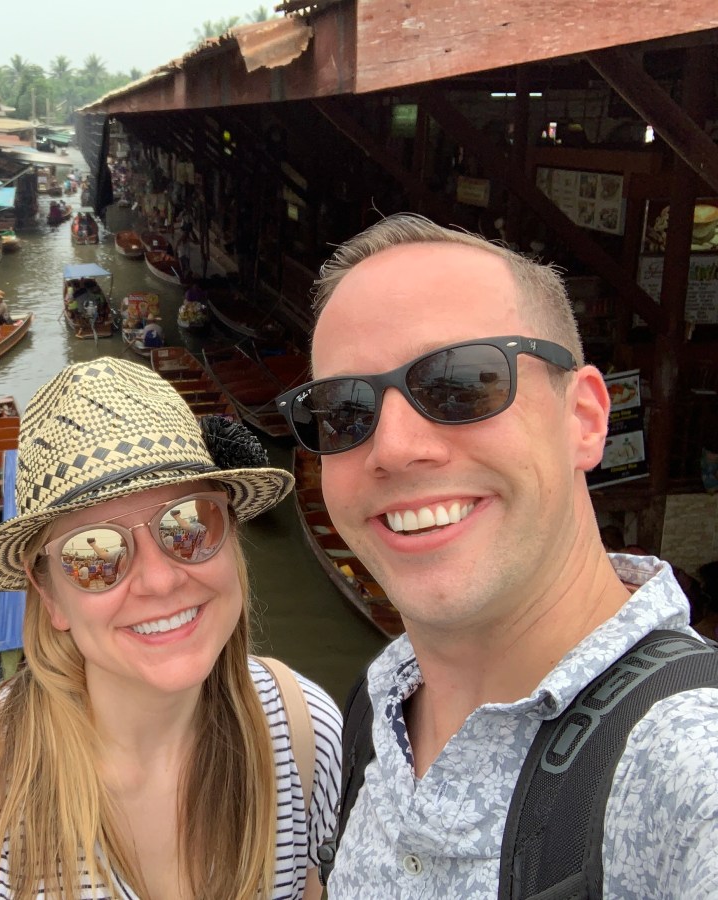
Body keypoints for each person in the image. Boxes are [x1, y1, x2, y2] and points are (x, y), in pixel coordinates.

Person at [287, 213, 718, 896]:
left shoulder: (687, 768)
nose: (393, 448)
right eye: (344, 411)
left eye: (460, 384)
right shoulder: (377, 707)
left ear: (584, 419)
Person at [0, 357, 342, 899]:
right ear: (50, 595)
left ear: (231, 537)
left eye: (189, 524)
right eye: (93, 557)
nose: (160, 581)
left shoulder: (306, 732)